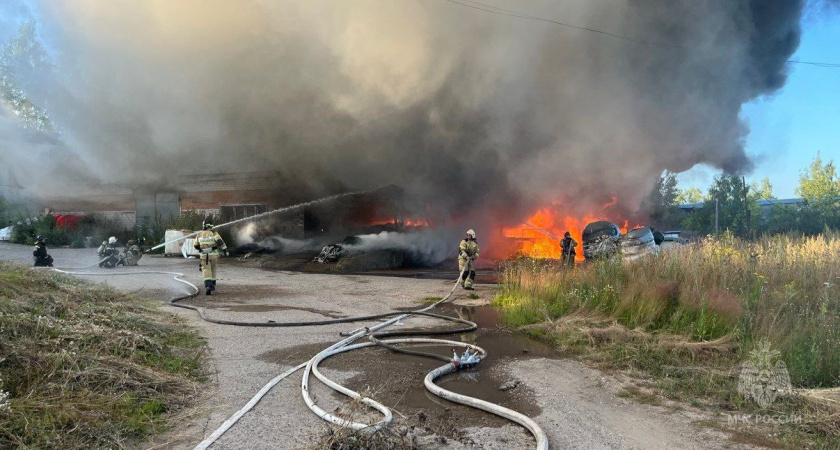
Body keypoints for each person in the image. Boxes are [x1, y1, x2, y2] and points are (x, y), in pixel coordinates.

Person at [193, 218, 228, 295]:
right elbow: (219, 241)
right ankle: (212, 283)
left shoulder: (199, 234)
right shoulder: (214, 233)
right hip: (214, 255)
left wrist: (202, 249)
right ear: (210, 226)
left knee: (206, 270)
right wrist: (225, 250)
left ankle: (208, 286)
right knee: (213, 269)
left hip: (204, 256)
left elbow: (195, 245)